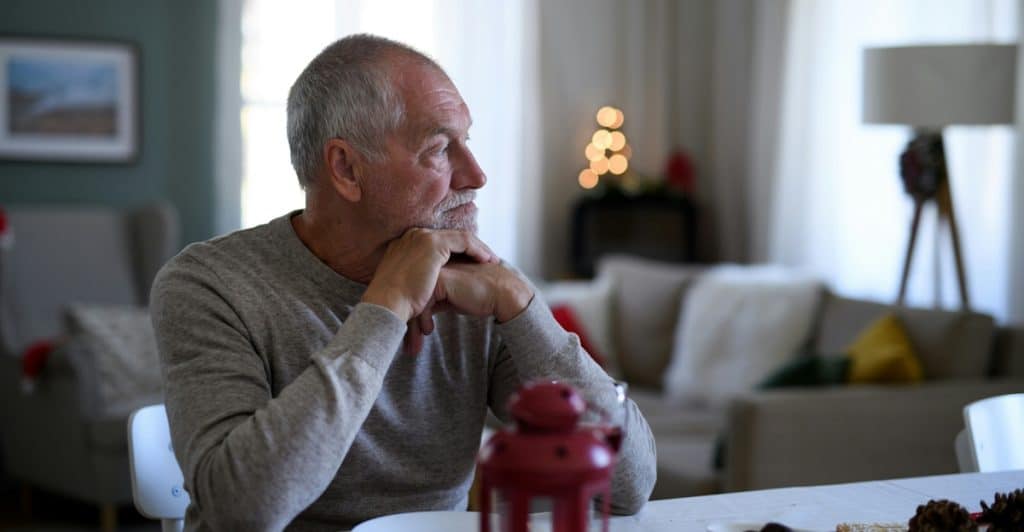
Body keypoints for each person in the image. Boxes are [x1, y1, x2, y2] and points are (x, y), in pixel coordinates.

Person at [150, 33, 656, 530]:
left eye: (468, 142)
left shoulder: (480, 287)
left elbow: (629, 484)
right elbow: (244, 510)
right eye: (439, 149)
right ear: (346, 169)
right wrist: (386, 305)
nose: (476, 175)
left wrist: (525, 307)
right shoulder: (209, 285)